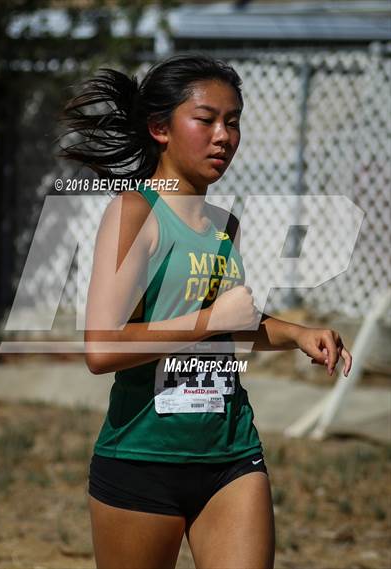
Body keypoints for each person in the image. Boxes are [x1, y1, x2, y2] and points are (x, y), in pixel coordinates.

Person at [59, 54, 352, 569]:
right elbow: (102, 348)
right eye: (207, 119)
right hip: (143, 458)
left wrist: (295, 333)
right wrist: (211, 321)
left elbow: (225, 322)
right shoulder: (135, 213)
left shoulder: (222, 224)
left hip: (231, 454)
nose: (224, 136)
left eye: (233, 121)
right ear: (160, 128)